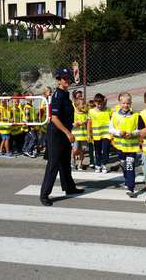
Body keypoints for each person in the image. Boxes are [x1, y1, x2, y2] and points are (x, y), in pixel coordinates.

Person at [40, 69, 84, 206]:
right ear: (59, 80)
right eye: (64, 78)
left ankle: (69, 187)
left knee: (65, 162)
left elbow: (65, 117)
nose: (67, 81)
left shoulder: (65, 94)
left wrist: (71, 125)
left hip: (64, 132)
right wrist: (68, 133)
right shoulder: (58, 95)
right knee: (53, 164)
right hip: (56, 134)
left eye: (68, 78)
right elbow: (54, 118)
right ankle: (44, 194)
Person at [109, 92, 140, 198]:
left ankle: (131, 187)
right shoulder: (115, 115)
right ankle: (125, 174)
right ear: (119, 103)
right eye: (123, 103)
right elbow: (111, 129)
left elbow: (139, 129)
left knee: (130, 166)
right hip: (119, 147)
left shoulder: (136, 115)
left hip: (131, 147)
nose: (125, 105)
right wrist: (118, 133)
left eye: (128, 103)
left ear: (131, 103)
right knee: (124, 164)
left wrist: (132, 133)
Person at [88, 93, 112, 174]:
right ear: (95, 103)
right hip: (96, 135)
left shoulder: (109, 110)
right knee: (97, 151)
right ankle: (98, 165)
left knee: (105, 149)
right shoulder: (91, 111)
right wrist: (89, 133)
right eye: (97, 104)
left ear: (103, 102)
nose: (99, 105)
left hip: (107, 134)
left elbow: (112, 121)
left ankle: (104, 164)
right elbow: (89, 123)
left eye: (101, 103)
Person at [72, 99, 89, 170]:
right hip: (75, 135)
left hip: (83, 135)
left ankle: (80, 164)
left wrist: (84, 122)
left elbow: (88, 122)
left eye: (84, 104)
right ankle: (72, 160)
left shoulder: (85, 114)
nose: (84, 105)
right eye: (82, 104)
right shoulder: (74, 114)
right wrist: (75, 124)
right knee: (75, 149)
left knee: (82, 150)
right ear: (77, 106)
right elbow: (71, 123)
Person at [87, 100, 96, 168]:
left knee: (96, 148)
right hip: (89, 133)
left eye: (92, 107)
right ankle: (91, 161)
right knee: (90, 149)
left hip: (96, 133)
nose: (91, 108)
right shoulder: (87, 114)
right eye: (90, 107)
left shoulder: (95, 113)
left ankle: (96, 160)